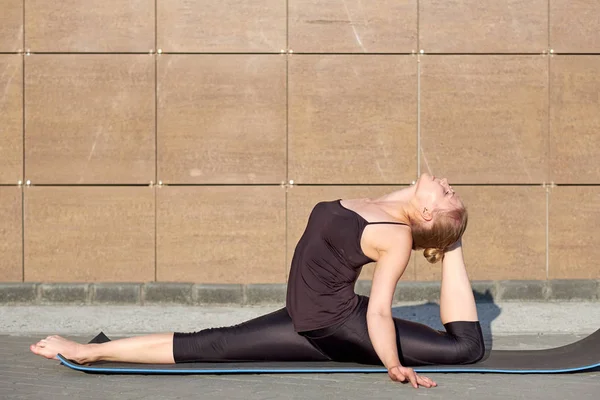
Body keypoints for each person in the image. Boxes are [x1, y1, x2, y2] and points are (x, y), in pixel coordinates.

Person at [31, 173, 484, 389]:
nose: (445, 182)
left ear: (426, 214)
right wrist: (433, 209)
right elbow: (408, 197)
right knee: (209, 344)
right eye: (450, 188)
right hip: (306, 320)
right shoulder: (383, 203)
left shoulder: (398, 235)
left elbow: (381, 310)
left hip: (343, 326)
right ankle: (88, 350)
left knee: (464, 351)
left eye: (447, 193)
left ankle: (454, 253)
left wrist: (391, 364)